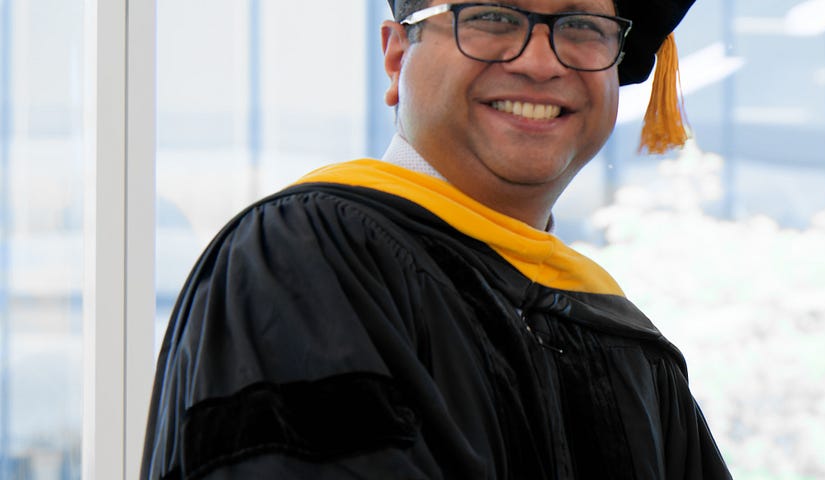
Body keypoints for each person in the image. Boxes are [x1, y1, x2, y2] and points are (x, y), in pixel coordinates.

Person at [140, 0, 732, 478]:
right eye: (493, 17)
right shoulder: (306, 256)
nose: (540, 62)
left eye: (581, 26)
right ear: (397, 57)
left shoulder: (624, 339)